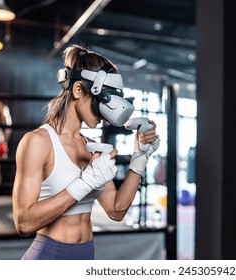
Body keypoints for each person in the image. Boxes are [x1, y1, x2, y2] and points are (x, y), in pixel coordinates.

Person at [12, 44, 160, 260]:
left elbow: (116, 210)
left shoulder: (91, 146)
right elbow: (24, 223)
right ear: (78, 89)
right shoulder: (38, 142)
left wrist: (139, 160)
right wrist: (84, 183)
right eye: (100, 102)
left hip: (85, 255)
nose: (104, 114)